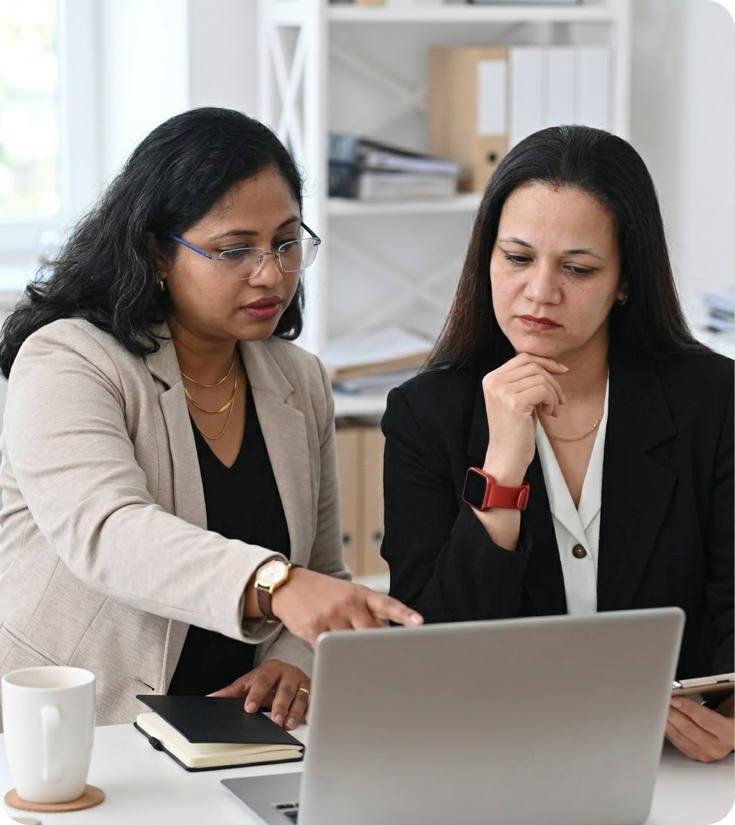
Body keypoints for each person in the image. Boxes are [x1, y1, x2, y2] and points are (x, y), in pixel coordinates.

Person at [0, 107, 422, 731]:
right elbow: (109, 532)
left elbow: (323, 570)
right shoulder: (69, 358)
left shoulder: (298, 381)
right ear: (157, 253)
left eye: (286, 242)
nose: (271, 273)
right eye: (234, 251)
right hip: (80, 724)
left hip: (237, 735)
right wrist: (275, 583)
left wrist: (294, 658)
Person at [380, 125, 733, 763]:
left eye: (578, 268)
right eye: (517, 258)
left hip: (676, 766)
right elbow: (424, 650)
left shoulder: (714, 400)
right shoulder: (424, 414)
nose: (541, 291)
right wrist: (503, 465)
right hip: (489, 761)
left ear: (626, 279)